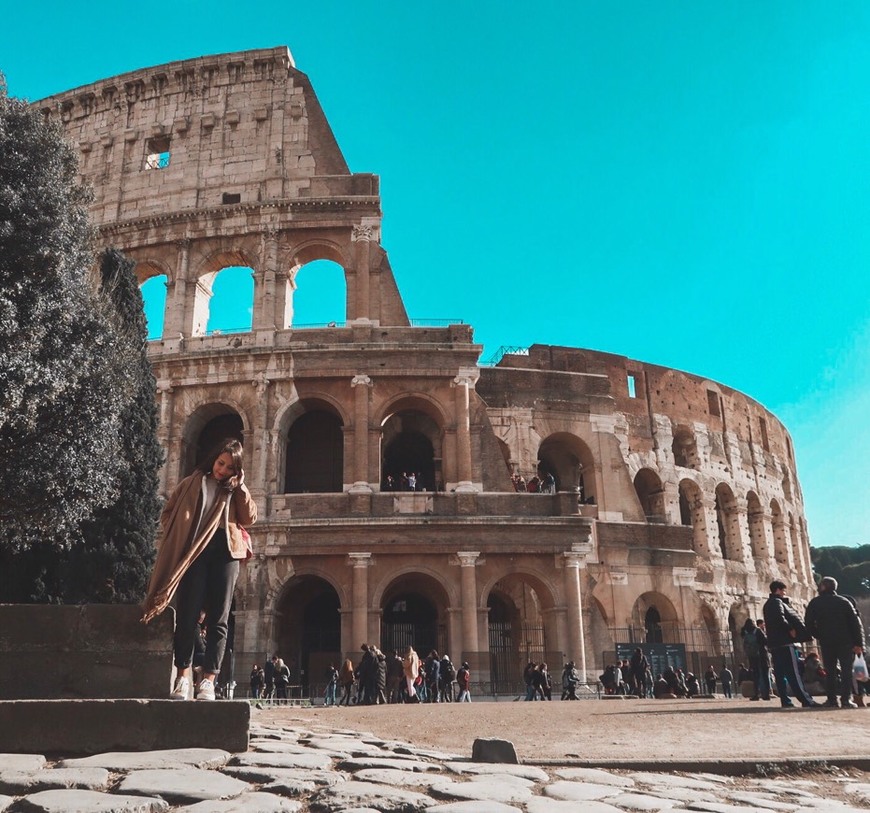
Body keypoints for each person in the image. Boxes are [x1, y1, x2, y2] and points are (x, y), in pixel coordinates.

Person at [142, 438, 257, 701]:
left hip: (226, 550)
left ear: (236, 471)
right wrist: (179, 533)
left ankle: (208, 680)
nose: (222, 470)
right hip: (195, 551)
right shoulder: (193, 482)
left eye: (229, 468)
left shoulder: (233, 489)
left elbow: (249, 517)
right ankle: (182, 677)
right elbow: (168, 513)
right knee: (188, 613)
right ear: (213, 458)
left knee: (219, 617)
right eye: (220, 463)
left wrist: (240, 487)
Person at [804, 576, 866, 709]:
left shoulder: (815, 603)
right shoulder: (844, 602)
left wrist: (818, 634)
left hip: (827, 642)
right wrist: (859, 644)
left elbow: (808, 623)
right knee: (846, 671)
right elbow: (855, 624)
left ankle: (831, 699)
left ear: (824, 587)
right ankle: (846, 699)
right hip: (846, 641)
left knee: (830, 671)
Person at [763, 580, 817, 708]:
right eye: (783, 590)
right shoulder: (777, 602)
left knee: (780, 675)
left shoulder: (767, 604)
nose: (784, 593)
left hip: (775, 644)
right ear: (778, 590)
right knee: (793, 673)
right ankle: (806, 700)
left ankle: (785, 701)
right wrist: (790, 629)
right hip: (785, 642)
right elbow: (780, 618)